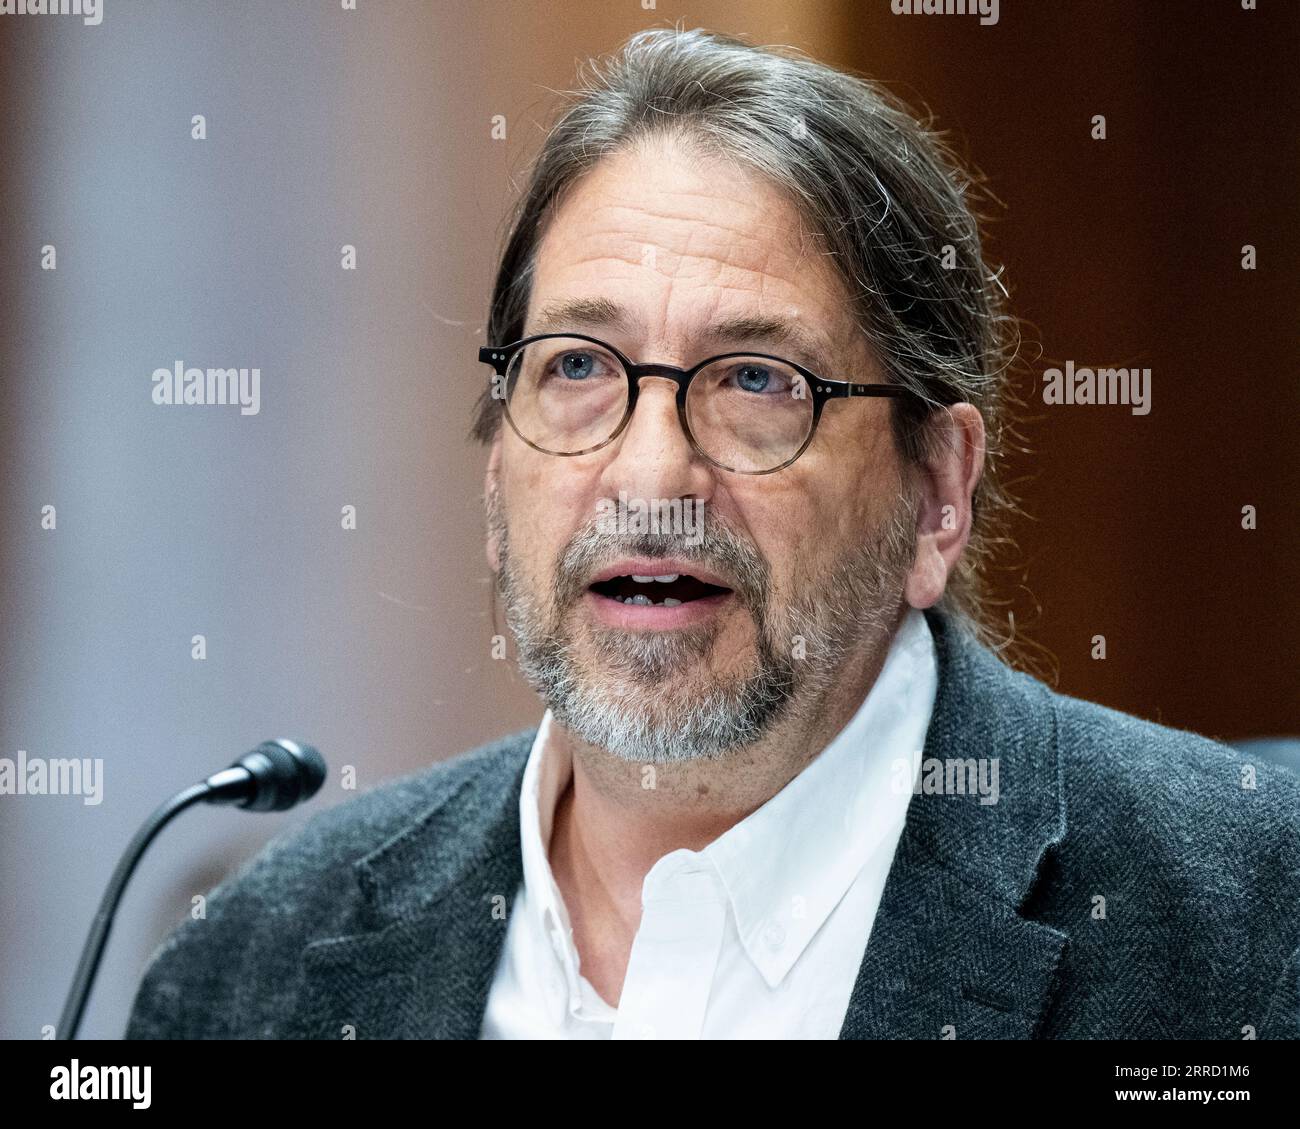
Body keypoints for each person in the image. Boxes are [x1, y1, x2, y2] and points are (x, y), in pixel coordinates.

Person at [125, 27, 1299, 1040]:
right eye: (577, 366)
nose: (649, 473)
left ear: (936, 492)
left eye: (756, 380)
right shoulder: (253, 968)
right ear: (497, 468)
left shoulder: (1246, 922)